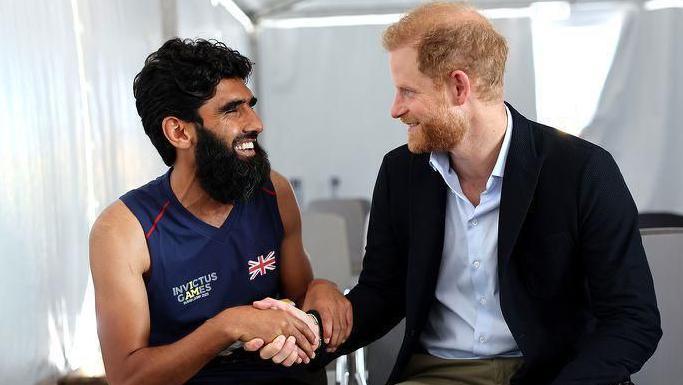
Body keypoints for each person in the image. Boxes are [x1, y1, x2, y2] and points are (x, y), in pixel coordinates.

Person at [302, 2, 661, 384]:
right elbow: (382, 293)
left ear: (459, 87)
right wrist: (311, 334)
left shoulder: (583, 171)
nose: (395, 109)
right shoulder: (400, 172)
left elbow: (631, 319)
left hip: (557, 375)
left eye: (407, 91)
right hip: (438, 374)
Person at [89, 38, 344, 385]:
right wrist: (227, 326)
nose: (255, 122)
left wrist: (323, 289)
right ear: (179, 131)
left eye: (250, 105)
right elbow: (128, 377)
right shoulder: (123, 230)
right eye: (231, 109)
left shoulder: (274, 191)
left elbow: (300, 299)